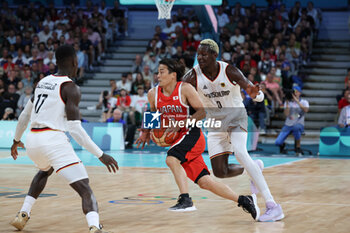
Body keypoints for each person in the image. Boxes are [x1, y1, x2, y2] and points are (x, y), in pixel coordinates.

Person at [10, 45, 118, 233]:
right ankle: (94, 226)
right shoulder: (70, 87)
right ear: (75, 62)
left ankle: (23, 214)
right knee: (84, 188)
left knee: (44, 170)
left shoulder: (42, 82)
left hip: (32, 141)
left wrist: (15, 140)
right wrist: (101, 154)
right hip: (52, 139)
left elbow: (24, 117)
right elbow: (75, 129)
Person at [135, 58, 259, 220]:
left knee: (172, 159)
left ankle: (185, 199)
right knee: (205, 182)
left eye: (162, 71)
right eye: (157, 72)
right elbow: (152, 113)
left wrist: (181, 123)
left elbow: (201, 113)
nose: (158, 75)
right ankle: (244, 200)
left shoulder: (185, 89)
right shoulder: (153, 93)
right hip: (179, 139)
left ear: (173, 75)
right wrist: (145, 131)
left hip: (191, 134)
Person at [182, 39, 284, 222]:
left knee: (240, 153)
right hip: (214, 123)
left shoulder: (229, 70)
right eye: (198, 54)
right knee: (220, 171)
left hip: (236, 116)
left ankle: (273, 206)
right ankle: (254, 170)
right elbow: (178, 95)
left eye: (205, 54)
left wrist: (257, 94)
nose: (200, 57)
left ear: (215, 55)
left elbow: (254, 92)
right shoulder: (192, 76)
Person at [275, 86, 309, 156]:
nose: (295, 93)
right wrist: (287, 102)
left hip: (299, 124)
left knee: (296, 128)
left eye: (296, 92)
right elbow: (286, 114)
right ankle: (282, 145)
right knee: (277, 142)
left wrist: (297, 101)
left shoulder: (304, 102)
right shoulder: (288, 102)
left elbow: (306, 110)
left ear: (300, 93)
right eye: (294, 92)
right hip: (288, 124)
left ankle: (298, 147)